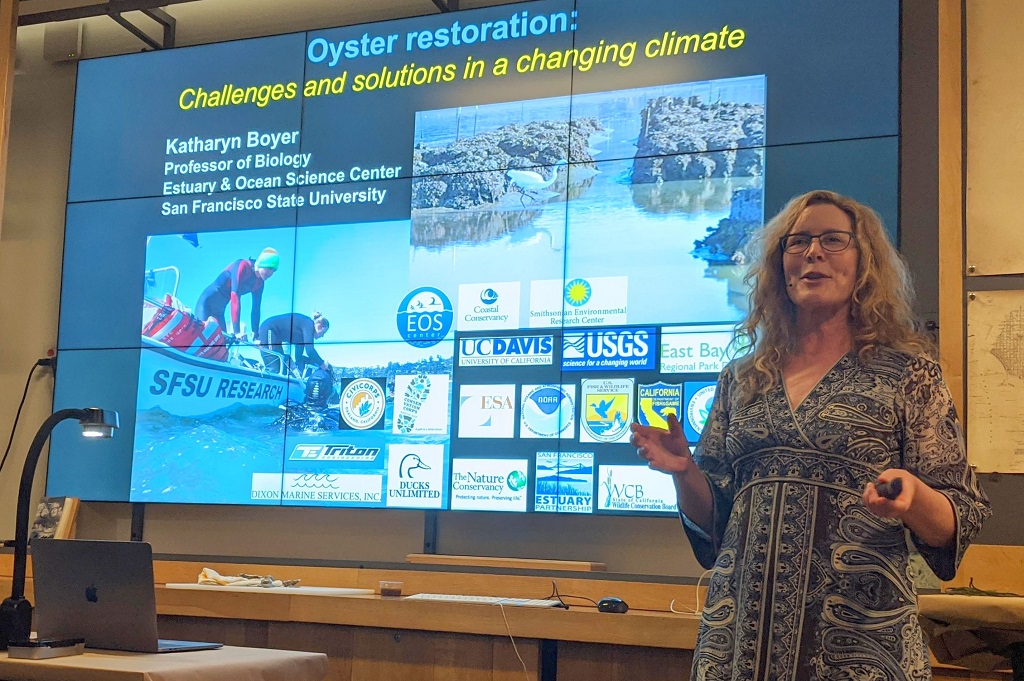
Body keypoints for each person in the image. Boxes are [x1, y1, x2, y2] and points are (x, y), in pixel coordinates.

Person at [630, 190, 991, 680]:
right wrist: (684, 472)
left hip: (860, 643)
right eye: (796, 242)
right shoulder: (742, 378)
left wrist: (914, 498)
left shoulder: (908, 374)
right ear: (780, 265)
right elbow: (715, 527)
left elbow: (959, 516)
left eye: (833, 240)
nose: (813, 253)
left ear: (865, 263)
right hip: (741, 642)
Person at [195, 248, 279, 337]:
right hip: (205, 304)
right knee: (202, 339)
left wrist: (255, 334)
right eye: (269, 268)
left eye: (273, 270)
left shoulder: (259, 283)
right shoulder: (243, 265)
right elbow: (235, 297)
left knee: (222, 345)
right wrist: (237, 332)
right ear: (262, 263)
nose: (270, 273)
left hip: (219, 312)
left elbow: (256, 308)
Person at [257, 311, 330, 375]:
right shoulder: (308, 324)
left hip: (276, 337)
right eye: (323, 333)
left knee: (283, 370)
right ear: (319, 326)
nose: (322, 336)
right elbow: (310, 351)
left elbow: (298, 357)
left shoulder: (302, 337)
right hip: (269, 329)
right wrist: (322, 364)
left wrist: (315, 363)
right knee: (274, 369)